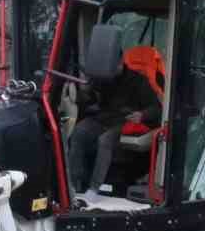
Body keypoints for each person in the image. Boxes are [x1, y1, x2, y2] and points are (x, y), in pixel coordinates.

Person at [68, 44, 164, 197]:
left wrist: (142, 115)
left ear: (120, 61)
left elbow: (156, 108)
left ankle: (94, 188)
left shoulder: (138, 81)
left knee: (105, 139)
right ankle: (76, 185)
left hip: (126, 122)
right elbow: (89, 99)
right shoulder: (102, 78)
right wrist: (82, 92)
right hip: (104, 119)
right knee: (79, 132)